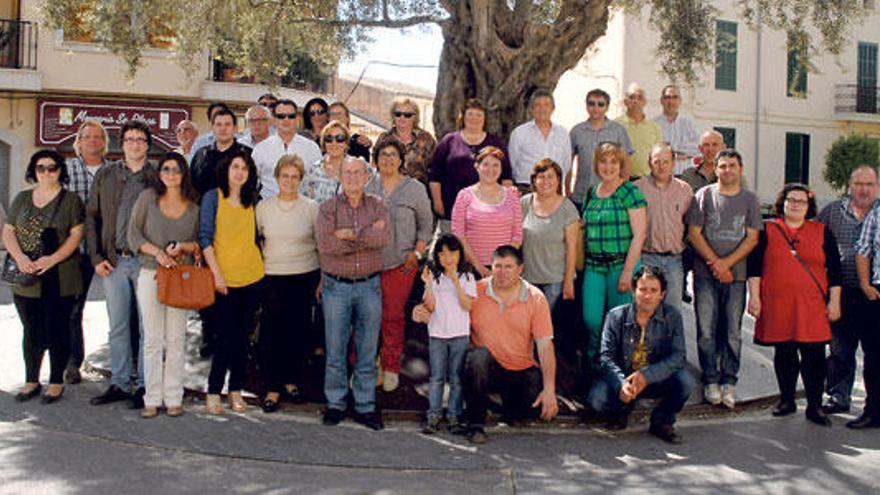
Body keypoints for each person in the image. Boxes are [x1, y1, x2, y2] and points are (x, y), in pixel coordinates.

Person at [747, 183, 842, 426]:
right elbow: (755, 267)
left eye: (801, 201)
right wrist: (755, 297)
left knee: (814, 356)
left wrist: (835, 302)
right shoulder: (768, 230)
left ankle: (814, 406)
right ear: (783, 203)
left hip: (811, 305)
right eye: (791, 200)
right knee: (785, 352)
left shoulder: (822, 231)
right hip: (778, 303)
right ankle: (786, 400)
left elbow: (835, 270)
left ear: (809, 206)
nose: (796, 205)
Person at [316, 157, 391, 430]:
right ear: (339, 176)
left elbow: (384, 239)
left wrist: (348, 235)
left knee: (367, 350)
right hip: (336, 287)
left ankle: (365, 406)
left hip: (369, 286)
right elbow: (325, 244)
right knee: (335, 349)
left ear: (367, 176)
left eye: (358, 172)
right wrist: (365, 236)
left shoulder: (379, 205)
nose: (352, 178)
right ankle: (335, 404)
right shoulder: (327, 208)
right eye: (347, 173)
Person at [455, 245, 558, 444]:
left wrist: (549, 390)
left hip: (520, 369)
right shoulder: (475, 291)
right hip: (487, 368)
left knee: (526, 412)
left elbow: (545, 346)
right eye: (498, 266)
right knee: (478, 357)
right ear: (491, 267)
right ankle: (475, 424)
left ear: (520, 269)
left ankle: (506, 407)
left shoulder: (535, 297)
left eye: (508, 267)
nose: (502, 272)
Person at [5, 150, 85, 404]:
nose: (47, 172)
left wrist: (52, 259)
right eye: (41, 168)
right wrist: (20, 258)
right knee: (31, 330)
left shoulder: (71, 200)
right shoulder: (22, 198)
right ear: (33, 171)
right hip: (26, 276)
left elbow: (76, 235)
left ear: (60, 170)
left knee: (58, 329)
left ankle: (56, 382)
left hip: (60, 275)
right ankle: (31, 380)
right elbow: (8, 231)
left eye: (52, 167)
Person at [87, 120, 155, 409]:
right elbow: (91, 217)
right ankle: (120, 381)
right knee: (117, 326)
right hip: (114, 262)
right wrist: (96, 257)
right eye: (129, 139)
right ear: (122, 143)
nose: (135, 144)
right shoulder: (106, 175)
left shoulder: (158, 177)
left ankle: (144, 386)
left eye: (140, 139)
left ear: (147, 145)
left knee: (147, 327)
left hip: (146, 263)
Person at [127, 152, 201, 418]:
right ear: (160, 174)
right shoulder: (148, 198)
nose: (171, 174)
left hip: (180, 277)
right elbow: (133, 234)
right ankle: (152, 397)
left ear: (183, 174)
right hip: (150, 274)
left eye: (177, 169)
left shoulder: (193, 206)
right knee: (153, 339)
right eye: (166, 169)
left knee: (176, 339)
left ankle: (173, 397)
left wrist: (183, 248)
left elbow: (199, 243)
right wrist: (157, 253)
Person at [686, 148, 761, 409]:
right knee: (706, 331)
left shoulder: (750, 200)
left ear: (740, 169)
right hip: (705, 274)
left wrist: (727, 264)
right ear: (715, 169)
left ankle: (729, 380)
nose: (727, 170)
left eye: (732, 166)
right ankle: (710, 379)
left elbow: (752, 237)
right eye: (722, 166)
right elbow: (694, 233)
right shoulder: (703, 196)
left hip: (736, 276)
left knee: (732, 332)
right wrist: (715, 264)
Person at [588, 266, 694, 444]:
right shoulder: (615, 316)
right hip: (624, 377)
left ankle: (662, 420)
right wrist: (621, 384)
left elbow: (678, 356)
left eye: (653, 290)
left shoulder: (672, 316)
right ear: (633, 291)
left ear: (662, 294)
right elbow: (606, 357)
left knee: (685, 382)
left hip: (655, 377)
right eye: (643, 289)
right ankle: (622, 408)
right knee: (596, 401)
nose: (647, 296)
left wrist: (646, 376)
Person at [199, 150, 265, 414]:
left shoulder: (253, 201)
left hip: (252, 277)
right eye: (235, 167)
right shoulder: (212, 198)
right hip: (223, 280)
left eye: (245, 169)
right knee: (223, 339)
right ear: (227, 169)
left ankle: (236, 390)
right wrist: (216, 275)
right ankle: (214, 390)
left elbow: (258, 238)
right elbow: (205, 239)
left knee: (242, 339)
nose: (239, 172)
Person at [255, 154, 320, 413]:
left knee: (298, 332)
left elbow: (321, 245)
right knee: (272, 334)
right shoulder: (264, 208)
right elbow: (257, 240)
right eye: (285, 176)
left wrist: (321, 280)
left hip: (305, 275)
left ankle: (292, 382)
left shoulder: (311, 207)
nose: (290, 181)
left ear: (301, 180)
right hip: (272, 277)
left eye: (295, 176)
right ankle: (272, 387)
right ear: (277, 178)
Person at [369, 138, 433, 392]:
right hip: (369, 264)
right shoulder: (367, 184)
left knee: (392, 317)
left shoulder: (414, 188)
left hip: (401, 264)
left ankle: (392, 366)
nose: (388, 159)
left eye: (393, 155)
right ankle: (365, 366)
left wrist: (417, 254)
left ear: (401, 159)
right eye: (383, 155)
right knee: (366, 318)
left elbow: (426, 226)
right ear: (376, 159)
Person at [581, 142, 647, 378]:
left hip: (621, 266)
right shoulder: (591, 192)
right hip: (594, 267)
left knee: (619, 324)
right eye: (603, 161)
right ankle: (593, 370)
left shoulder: (630, 191)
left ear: (621, 165)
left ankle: (621, 376)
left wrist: (628, 273)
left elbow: (639, 234)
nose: (608, 167)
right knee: (591, 320)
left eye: (613, 162)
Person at [819, 165, 879, 422]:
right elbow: (815, 243)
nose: (864, 190)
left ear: (876, 187)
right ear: (849, 185)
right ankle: (838, 396)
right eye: (859, 184)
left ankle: (873, 405)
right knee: (840, 349)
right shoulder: (832, 212)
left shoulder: (877, 212)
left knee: (874, 353)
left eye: (869, 184)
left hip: (872, 294)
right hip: (840, 291)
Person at [64, 120, 110, 385]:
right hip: (77, 251)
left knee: (120, 308)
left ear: (103, 142)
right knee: (73, 308)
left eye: (97, 137)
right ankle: (73, 361)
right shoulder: (68, 170)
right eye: (87, 137)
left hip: (108, 250)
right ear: (79, 142)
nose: (92, 141)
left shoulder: (113, 171)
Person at [416, 234, 477, 434]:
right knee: (436, 378)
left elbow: (467, 305)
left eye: (452, 252)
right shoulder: (434, 278)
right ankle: (433, 416)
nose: (447, 258)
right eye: (442, 254)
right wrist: (427, 284)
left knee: (456, 378)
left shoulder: (467, 277)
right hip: (437, 335)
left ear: (460, 253)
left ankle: (454, 416)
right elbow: (430, 306)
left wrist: (455, 281)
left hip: (460, 335)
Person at [429, 98, 513, 231]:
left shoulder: (496, 143)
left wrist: (503, 205)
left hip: (486, 211)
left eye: (479, 115)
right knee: (450, 249)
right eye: (470, 114)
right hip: (451, 209)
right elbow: (435, 175)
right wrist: (437, 201)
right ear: (463, 117)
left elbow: (506, 177)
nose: (474, 118)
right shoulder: (449, 141)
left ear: (485, 119)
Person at [634, 143, 693, 311]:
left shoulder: (684, 190)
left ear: (673, 163)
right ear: (649, 163)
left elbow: (690, 225)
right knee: (645, 310)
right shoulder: (637, 189)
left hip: (674, 260)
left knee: (673, 312)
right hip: (647, 258)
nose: (661, 166)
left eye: (665, 162)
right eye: (656, 161)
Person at [451, 146, 522, 277]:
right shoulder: (464, 195)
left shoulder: (512, 196)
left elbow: (517, 235)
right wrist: (479, 267)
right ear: (477, 166)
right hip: (472, 269)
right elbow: (458, 234)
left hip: (504, 271)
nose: (491, 169)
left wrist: (501, 266)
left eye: (496, 165)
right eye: (486, 164)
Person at [520, 159, 579, 316]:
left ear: (558, 180)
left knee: (549, 327)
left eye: (550, 177)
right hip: (529, 279)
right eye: (541, 177)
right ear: (534, 180)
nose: (546, 181)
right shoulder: (524, 203)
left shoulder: (568, 208)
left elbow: (572, 248)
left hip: (556, 281)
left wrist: (568, 282)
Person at [569, 89, 634, 209]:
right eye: (591, 103)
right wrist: (567, 192)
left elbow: (626, 163)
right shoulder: (576, 131)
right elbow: (568, 163)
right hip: (581, 196)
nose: (595, 108)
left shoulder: (618, 130)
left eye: (600, 104)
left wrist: (623, 190)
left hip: (611, 195)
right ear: (586, 105)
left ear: (607, 107)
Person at [252, 99, 322, 199]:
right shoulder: (260, 149)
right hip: (268, 208)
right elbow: (252, 183)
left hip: (303, 209)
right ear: (274, 120)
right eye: (281, 116)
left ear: (297, 119)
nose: (286, 120)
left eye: (291, 116)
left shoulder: (312, 148)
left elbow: (318, 183)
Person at [852, 176, 880, 428]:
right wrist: (865, 284)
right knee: (874, 355)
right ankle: (873, 411)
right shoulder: (877, 213)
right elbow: (863, 249)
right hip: (877, 292)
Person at [508, 89, 572, 195]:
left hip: (554, 190)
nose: (542, 109)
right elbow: (512, 164)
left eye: (546, 105)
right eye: (537, 105)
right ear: (531, 109)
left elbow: (566, 163)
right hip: (526, 189)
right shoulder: (519, 133)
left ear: (553, 109)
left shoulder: (563, 133)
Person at [301, 121, 374, 204]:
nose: (334, 143)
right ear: (323, 143)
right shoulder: (312, 171)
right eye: (329, 139)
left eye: (340, 138)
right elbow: (304, 202)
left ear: (346, 143)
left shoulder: (361, 167)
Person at [191, 107, 252, 195]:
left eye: (227, 124)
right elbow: (193, 185)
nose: (223, 129)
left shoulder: (248, 154)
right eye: (218, 124)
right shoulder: (201, 155)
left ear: (235, 128)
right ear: (212, 128)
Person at [376, 97, 436, 185]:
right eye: (398, 114)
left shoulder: (426, 139)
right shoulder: (384, 138)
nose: (402, 118)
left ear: (415, 117)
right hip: (389, 194)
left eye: (407, 115)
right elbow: (375, 169)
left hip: (418, 195)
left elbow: (436, 170)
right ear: (393, 116)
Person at [616, 83, 662, 179]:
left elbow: (658, 155)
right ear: (625, 101)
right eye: (632, 97)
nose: (636, 101)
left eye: (640, 98)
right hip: (621, 180)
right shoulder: (615, 126)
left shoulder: (654, 127)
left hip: (646, 180)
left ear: (645, 102)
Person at [653, 85, 700, 176]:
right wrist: (680, 154)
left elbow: (697, 148)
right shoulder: (654, 125)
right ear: (661, 101)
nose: (671, 101)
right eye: (667, 97)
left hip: (685, 175)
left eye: (675, 97)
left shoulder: (689, 124)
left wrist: (668, 150)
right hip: (661, 176)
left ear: (680, 101)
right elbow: (652, 151)